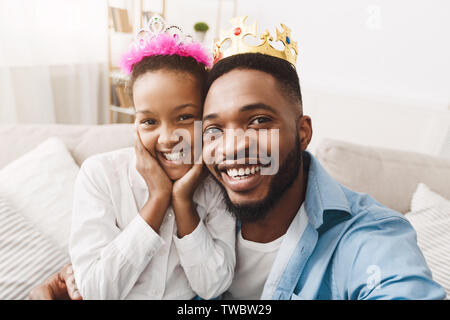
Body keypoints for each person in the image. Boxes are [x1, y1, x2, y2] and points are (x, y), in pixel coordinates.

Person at [30, 16, 445, 300]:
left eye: (259, 120)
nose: (232, 147)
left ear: (303, 132)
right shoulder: (193, 197)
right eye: (214, 128)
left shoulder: (366, 237)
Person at [45, 16, 235, 300]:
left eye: (184, 117)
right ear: (135, 123)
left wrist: (183, 202)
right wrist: (158, 199)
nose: (168, 137)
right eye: (149, 122)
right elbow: (95, 291)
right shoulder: (100, 175)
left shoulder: (215, 187)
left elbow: (213, 286)